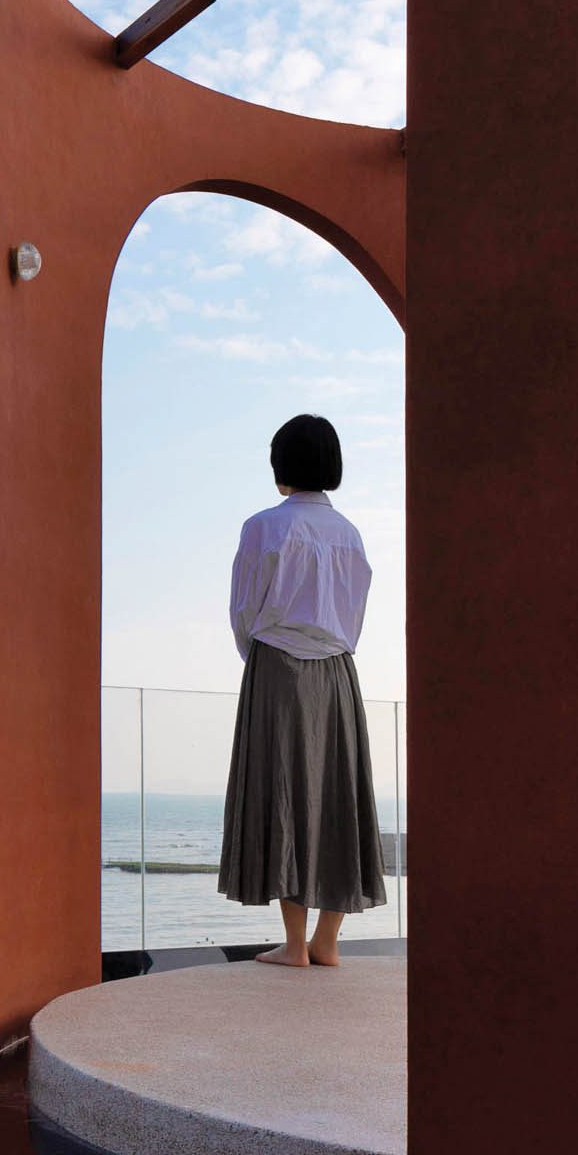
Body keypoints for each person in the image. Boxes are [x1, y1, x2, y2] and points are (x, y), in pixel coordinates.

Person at [219, 413, 387, 967]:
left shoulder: (264, 526)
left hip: (278, 668)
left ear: (280, 465)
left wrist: (262, 656)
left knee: (284, 791)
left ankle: (294, 944)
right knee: (337, 792)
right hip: (339, 671)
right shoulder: (351, 535)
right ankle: (328, 941)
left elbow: (245, 609)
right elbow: (355, 617)